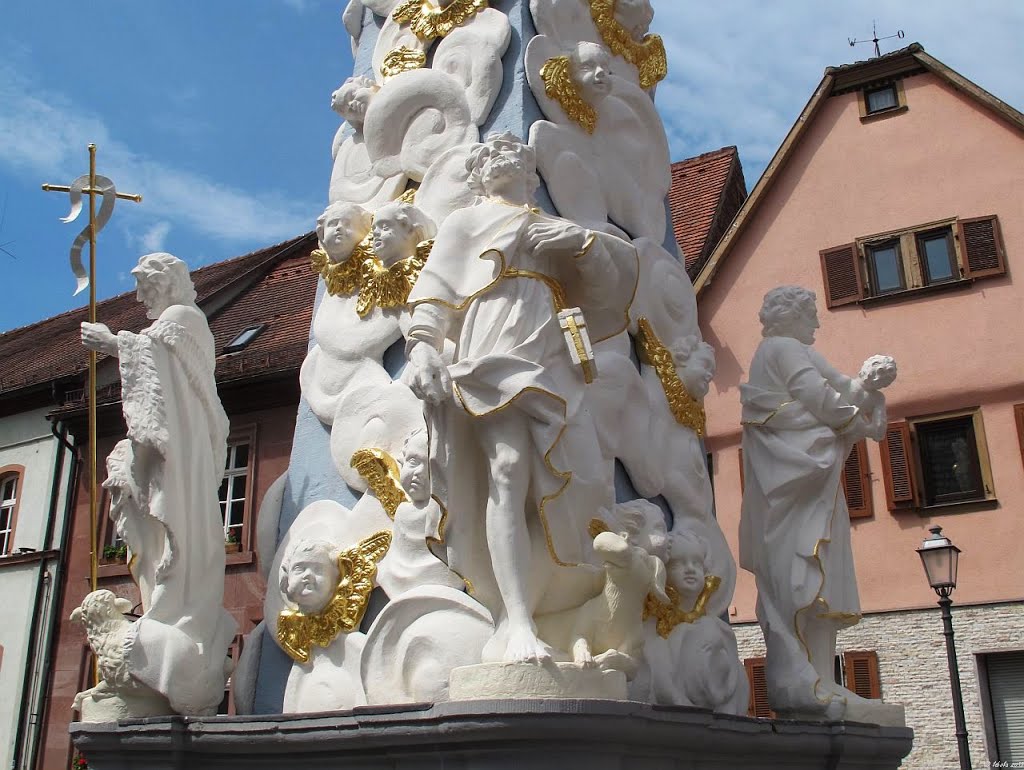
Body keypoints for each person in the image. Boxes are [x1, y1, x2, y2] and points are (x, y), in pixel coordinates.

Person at [403, 132, 637, 663]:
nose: (506, 158)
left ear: (532, 174)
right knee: (507, 470)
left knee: (565, 476)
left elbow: (607, 282)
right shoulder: (465, 223)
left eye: (517, 156)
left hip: (552, 353)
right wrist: (422, 350)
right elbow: (435, 291)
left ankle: (554, 598)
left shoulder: (548, 225)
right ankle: (516, 620)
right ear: (482, 174)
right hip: (491, 346)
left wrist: (580, 244)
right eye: (495, 156)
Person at [81, 252, 236, 715]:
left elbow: (159, 369)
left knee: (176, 534)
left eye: (145, 288)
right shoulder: (171, 321)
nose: (139, 297)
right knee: (158, 542)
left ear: (166, 283)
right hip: (172, 450)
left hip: (180, 452)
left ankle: (174, 626)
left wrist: (114, 343)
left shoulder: (183, 318)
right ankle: (160, 622)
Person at [738, 285, 882, 718]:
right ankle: (805, 680)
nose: (817, 325)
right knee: (801, 579)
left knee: (817, 581)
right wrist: (856, 421)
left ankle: (820, 679)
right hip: (793, 488)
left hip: (813, 490)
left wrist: (867, 386)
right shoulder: (780, 347)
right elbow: (818, 397)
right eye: (810, 316)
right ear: (790, 318)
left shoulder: (791, 348)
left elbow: (838, 388)